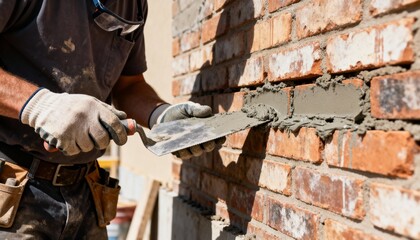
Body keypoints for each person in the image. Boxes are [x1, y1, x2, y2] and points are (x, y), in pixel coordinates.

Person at [0, 0, 222, 238]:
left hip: (88, 193)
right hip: (13, 187)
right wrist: (40, 107)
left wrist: (162, 115)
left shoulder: (134, 5)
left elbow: (129, 86)